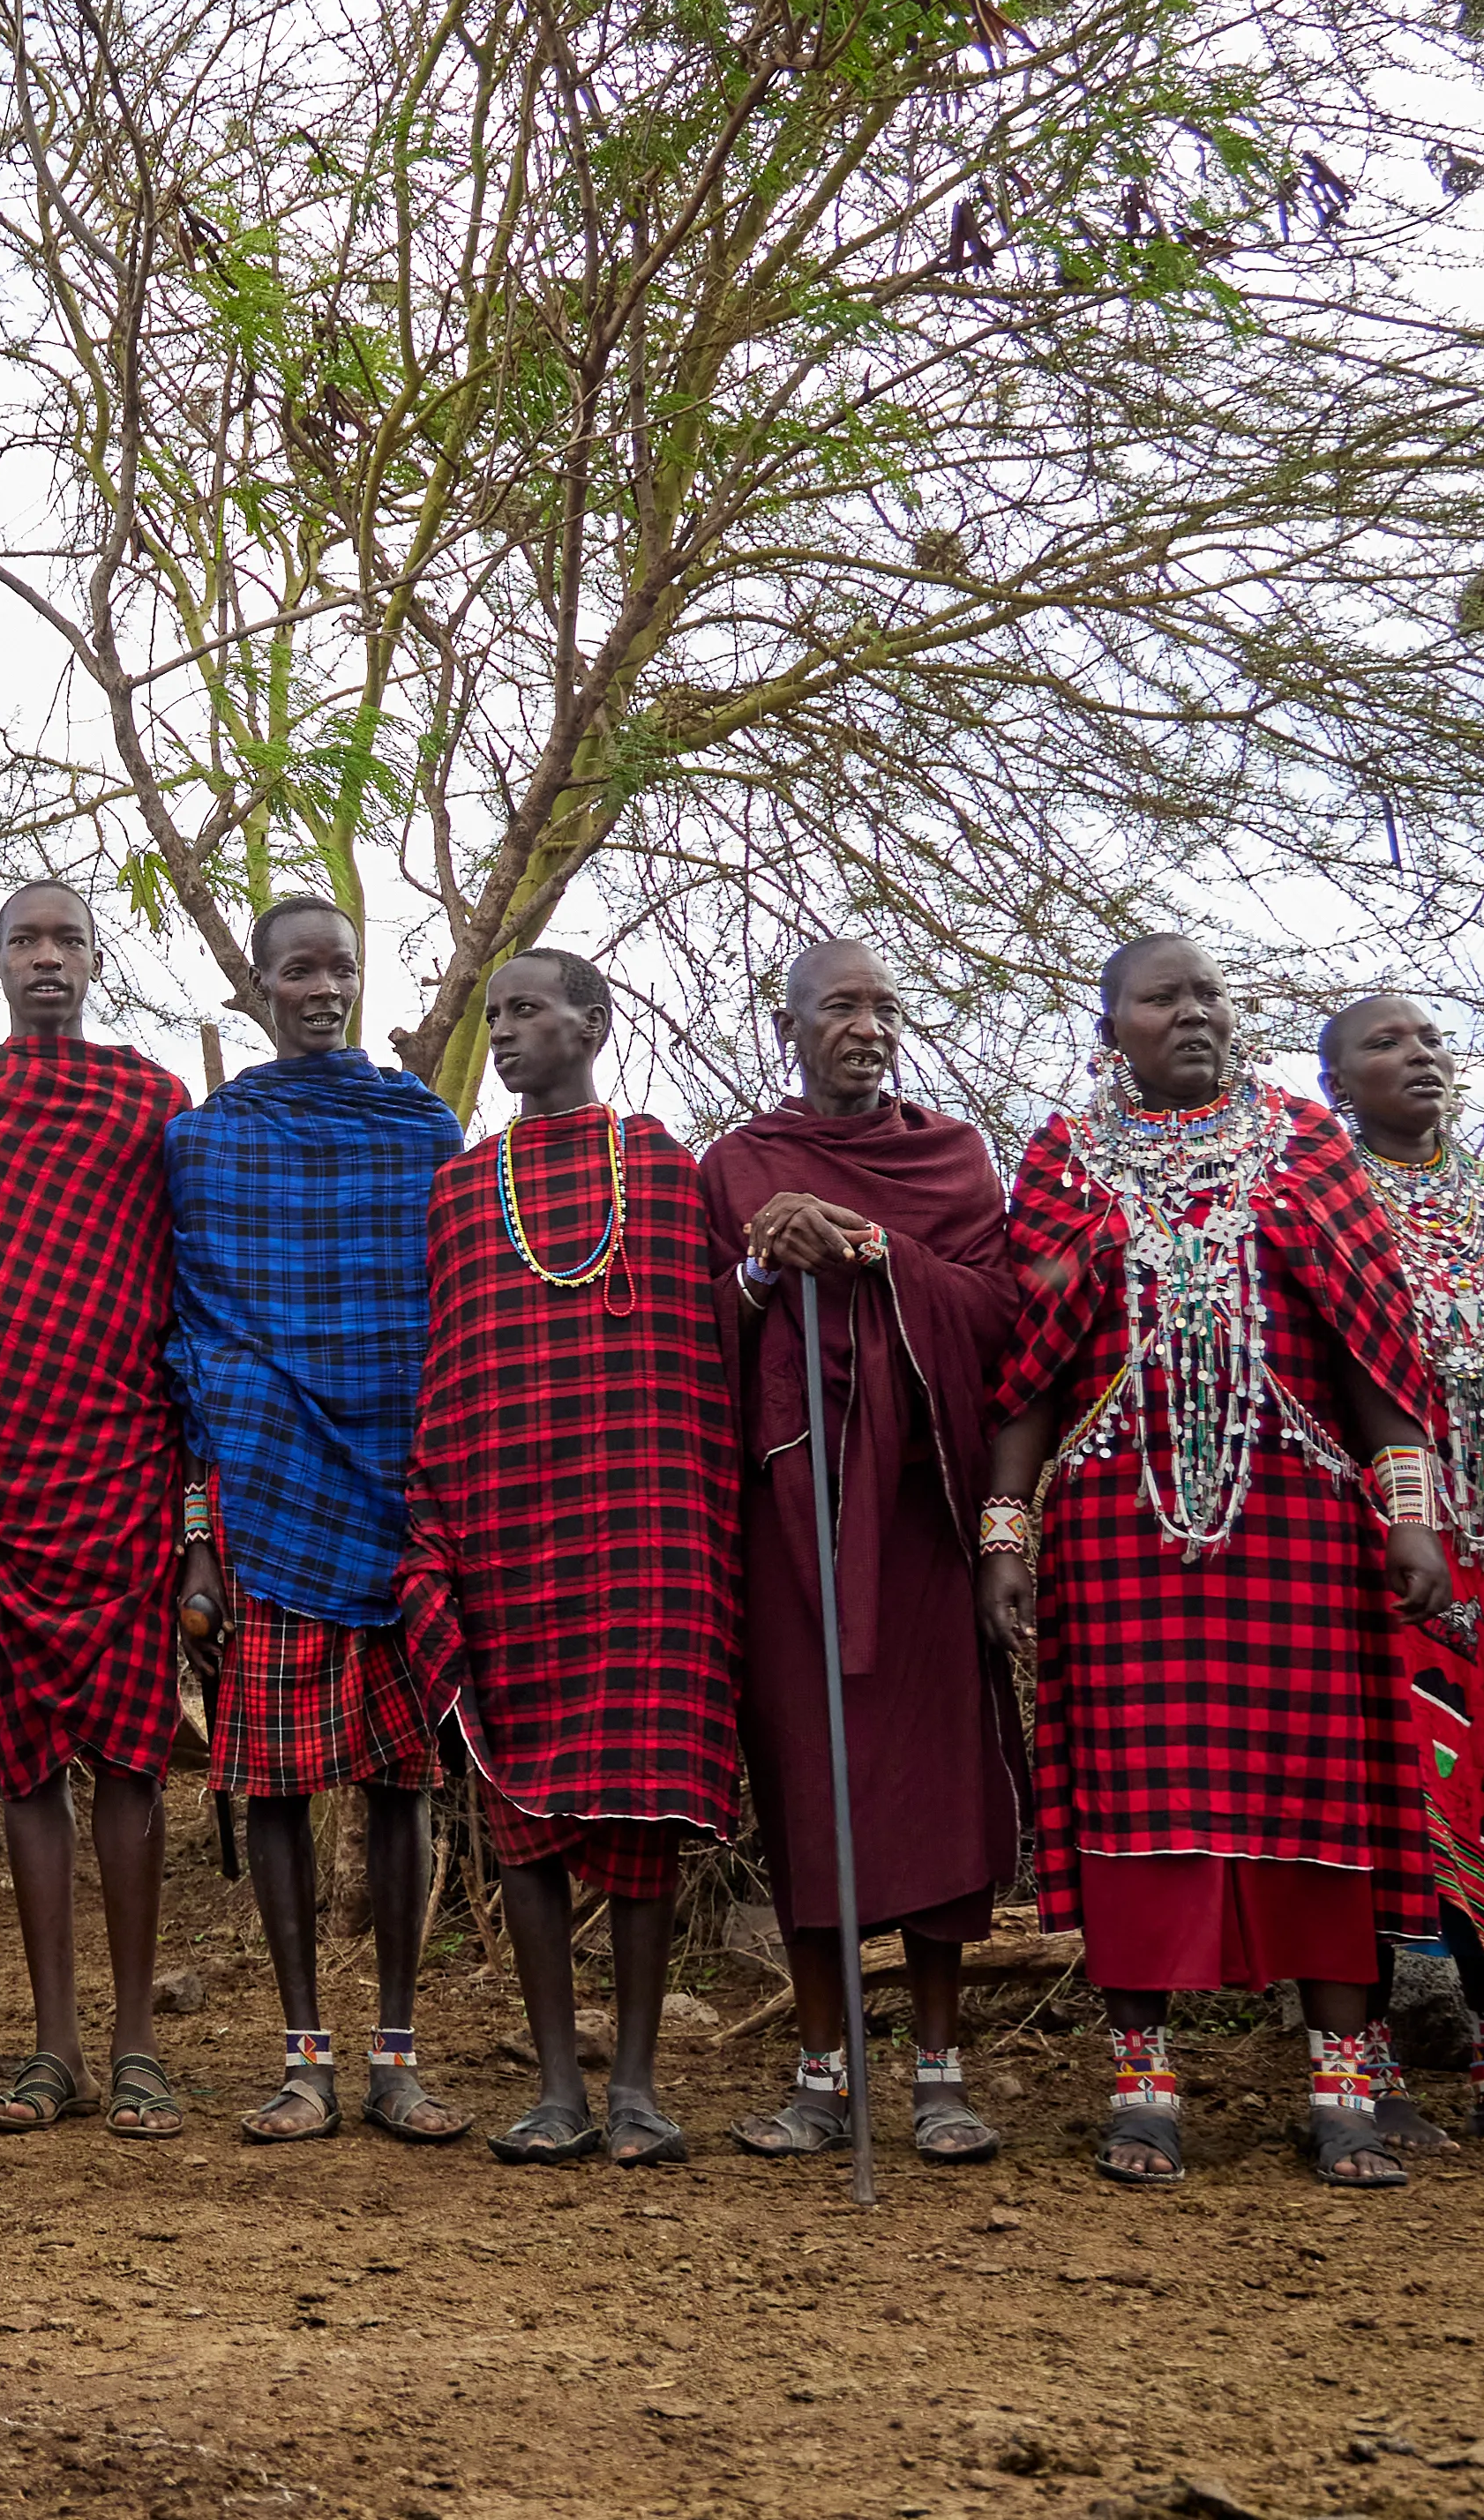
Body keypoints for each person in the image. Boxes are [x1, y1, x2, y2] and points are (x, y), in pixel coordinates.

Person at [980, 935, 1450, 2192]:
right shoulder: (1061, 1160)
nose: (1194, 1014)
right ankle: (1144, 2082)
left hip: (1299, 1517)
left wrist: (1409, 1511)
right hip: (1115, 1527)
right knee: (1138, 1798)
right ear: (1110, 1024)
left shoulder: (1305, 1144)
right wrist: (1004, 1527)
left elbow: (1376, 1349)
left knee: (1322, 1785)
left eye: (1210, 996)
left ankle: (1342, 2084)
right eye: (1163, 997)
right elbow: (1028, 1366)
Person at [402, 949, 737, 2169]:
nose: (504, 1032)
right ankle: (555, 2084)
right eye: (493, 1015)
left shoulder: (661, 1167)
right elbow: (450, 1368)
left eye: (528, 1010)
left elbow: (708, 1347)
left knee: (641, 1806)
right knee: (523, 1813)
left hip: (645, 1528)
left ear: (592, 1025)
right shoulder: (458, 1189)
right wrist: (436, 1523)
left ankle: (638, 2083)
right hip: (509, 1532)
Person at [700, 940, 1025, 2167]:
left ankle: (939, 2068)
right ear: (788, 1025)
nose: (868, 1026)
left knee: (932, 1785)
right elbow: (691, 1330)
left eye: (886, 1007)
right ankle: (822, 2070)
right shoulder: (736, 1164)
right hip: (787, 1521)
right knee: (807, 1779)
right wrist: (756, 1263)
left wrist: (880, 1251)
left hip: (916, 1508)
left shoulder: (949, 1157)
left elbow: (1000, 1314)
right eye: (841, 1006)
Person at [0, 882, 198, 2140]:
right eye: (26, 940)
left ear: (96, 958)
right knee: (24, 1774)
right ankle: (51, 2044)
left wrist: (191, 1512)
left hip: (121, 1470)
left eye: (67, 939)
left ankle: (135, 2045)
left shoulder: (151, 1103)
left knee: (130, 1763)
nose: (47, 958)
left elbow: (187, 1293)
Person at [163, 897, 471, 2148]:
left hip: (400, 1484)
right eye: (298, 969)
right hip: (272, 1487)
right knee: (276, 1782)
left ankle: (396, 2052)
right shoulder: (207, 1143)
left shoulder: (421, 1124)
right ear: (258, 986)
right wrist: (195, 1528)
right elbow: (186, 1341)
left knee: (399, 1781)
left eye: (340, 966)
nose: (322, 987)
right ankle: (303, 2056)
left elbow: (451, 1302)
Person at [1317, 992, 1484, 2146]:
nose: (1420, 1055)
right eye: (1384, 1042)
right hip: (1377, 1546)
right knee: (1378, 1787)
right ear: (1334, 1086)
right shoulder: (1325, 1214)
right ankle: (1360, 2063)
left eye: (1430, 1039)